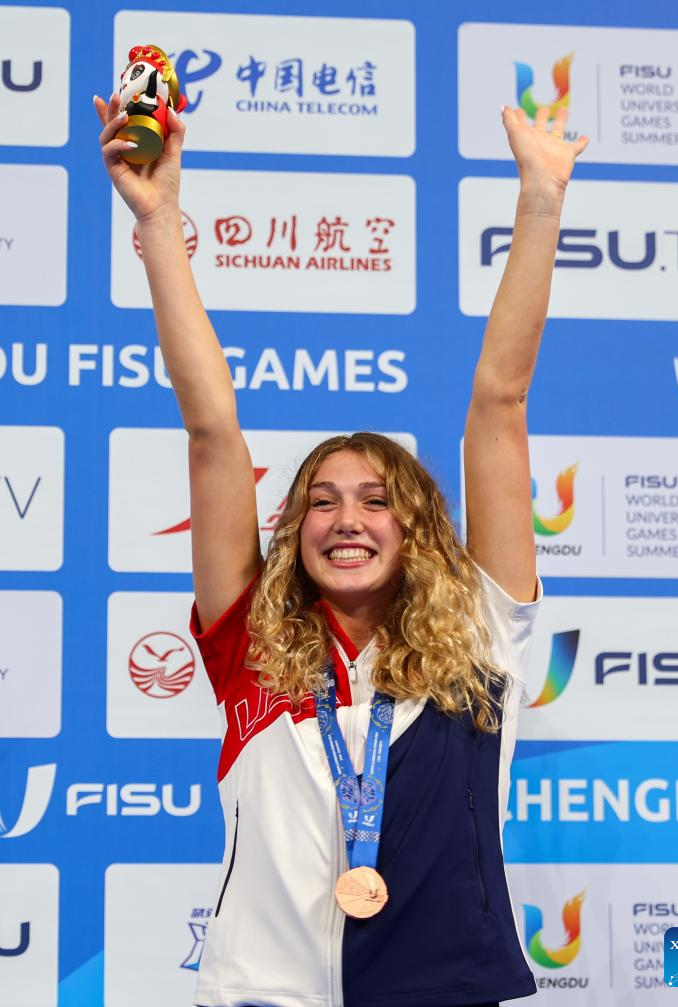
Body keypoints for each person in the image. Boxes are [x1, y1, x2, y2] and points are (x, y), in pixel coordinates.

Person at [96, 88, 587, 1007]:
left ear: (418, 528)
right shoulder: (249, 642)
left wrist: (541, 200)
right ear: (297, 530)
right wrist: (158, 220)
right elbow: (212, 431)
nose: (346, 519)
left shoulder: (481, 634)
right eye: (320, 501)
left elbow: (501, 400)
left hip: (445, 991)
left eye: (376, 500)